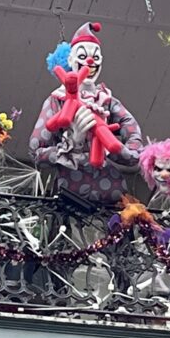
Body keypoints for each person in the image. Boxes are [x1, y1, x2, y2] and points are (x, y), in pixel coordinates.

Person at [29, 22, 143, 204]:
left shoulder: (108, 100)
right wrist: (74, 142)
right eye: (82, 56)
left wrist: (112, 148)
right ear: (70, 60)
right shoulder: (56, 101)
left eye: (96, 57)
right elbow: (36, 152)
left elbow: (135, 144)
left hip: (111, 192)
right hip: (69, 193)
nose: (90, 62)